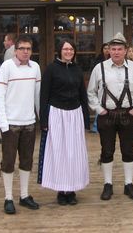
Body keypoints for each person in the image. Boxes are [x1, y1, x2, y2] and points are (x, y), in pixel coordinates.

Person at [87, 33, 133, 201]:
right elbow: (91, 93)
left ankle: (128, 184)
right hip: (107, 115)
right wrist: (99, 110)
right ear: (108, 50)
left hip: (128, 114)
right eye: (113, 49)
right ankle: (108, 184)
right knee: (106, 151)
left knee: (128, 150)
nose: (116, 52)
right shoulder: (99, 68)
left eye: (120, 49)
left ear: (126, 50)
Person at [38, 40, 90, 206]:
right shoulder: (51, 69)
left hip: (74, 114)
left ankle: (72, 189)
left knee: (74, 153)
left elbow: (82, 94)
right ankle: (61, 190)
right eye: (65, 49)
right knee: (59, 152)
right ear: (59, 51)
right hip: (57, 114)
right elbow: (43, 96)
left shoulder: (77, 69)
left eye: (71, 49)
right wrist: (44, 120)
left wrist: (86, 117)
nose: (68, 51)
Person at [0, 34, 41, 214]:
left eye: (28, 49)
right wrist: (3, 124)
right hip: (10, 124)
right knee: (8, 162)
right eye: (22, 48)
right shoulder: (6, 67)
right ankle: (8, 197)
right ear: (15, 50)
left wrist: (40, 118)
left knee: (27, 161)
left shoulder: (35, 68)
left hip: (29, 123)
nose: (25, 52)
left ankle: (24, 195)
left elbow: (37, 95)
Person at [90, 42, 110, 133]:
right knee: (99, 104)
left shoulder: (112, 60)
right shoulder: (98, 60)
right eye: (105, 48)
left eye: (108, 48)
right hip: (100, 85)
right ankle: (96, 126)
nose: (106, 50)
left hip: (109, 85)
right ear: (102, 50)